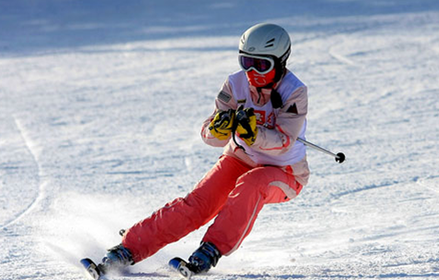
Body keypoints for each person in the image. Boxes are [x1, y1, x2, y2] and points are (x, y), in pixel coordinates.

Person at [97, 22, 310, 276]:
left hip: (284, 171)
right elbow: (209, 134)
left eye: (262, 65)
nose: (252, 71)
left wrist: (253, 134)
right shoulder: (235, 83)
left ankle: (211, 250)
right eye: (246, 62)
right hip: (239, 158)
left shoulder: (294, 91)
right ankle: (129, 248)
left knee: (252, 185)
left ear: (281, 61)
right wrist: (217, 130)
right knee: (199, 203)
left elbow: (284, 140)